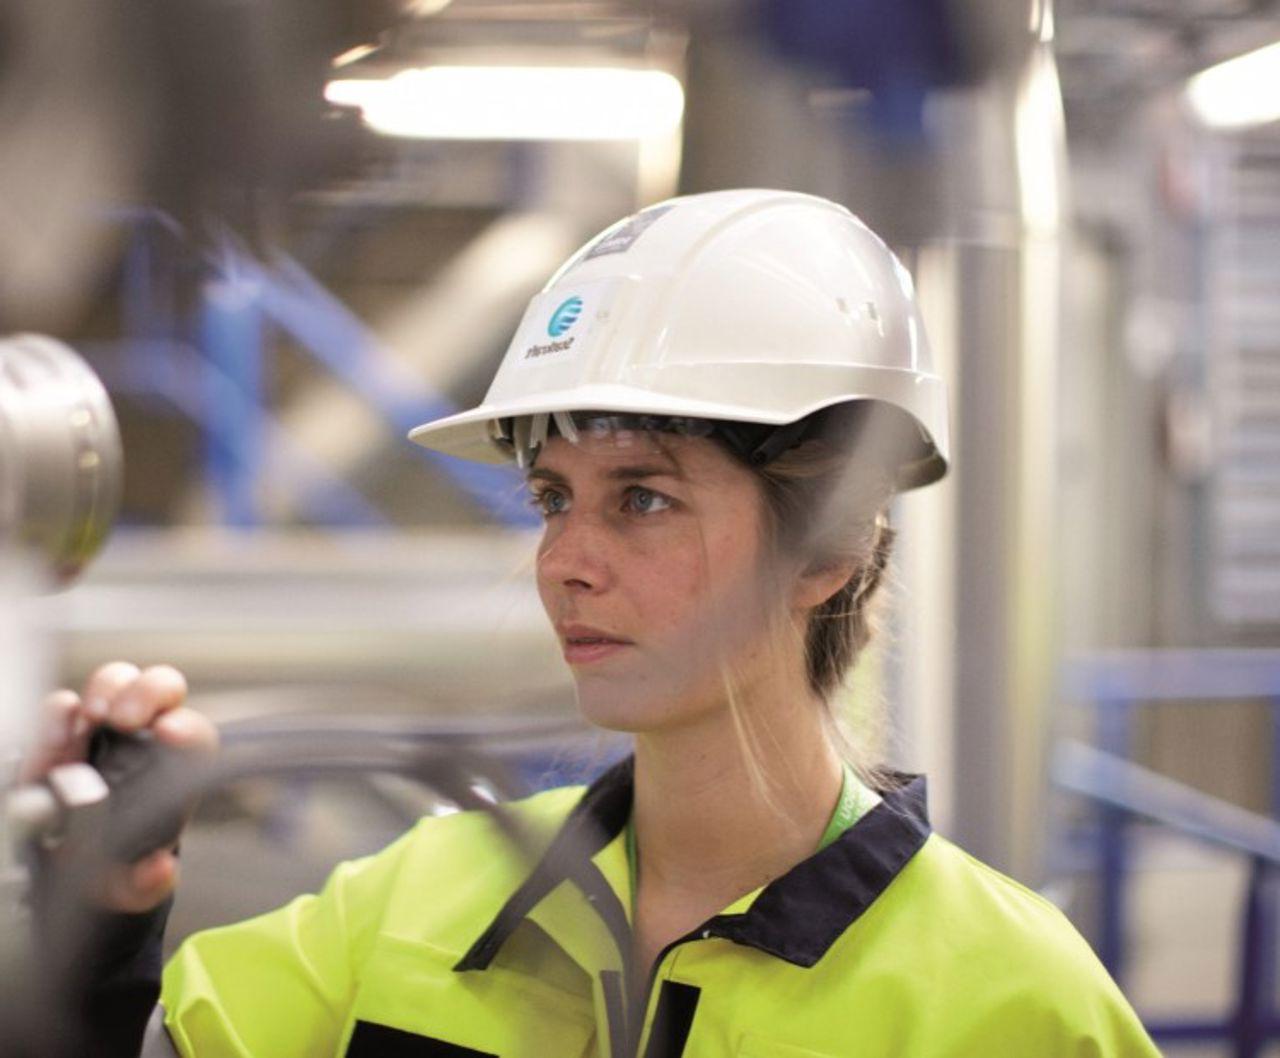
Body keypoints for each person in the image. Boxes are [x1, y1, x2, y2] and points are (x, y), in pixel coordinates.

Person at [29, 189, 1160, 1057]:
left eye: (644, 498)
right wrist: (105, 917)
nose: (564, 561)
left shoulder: (1012, 999)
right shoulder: (418, 896)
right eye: (552, 497)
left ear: (827, 549)